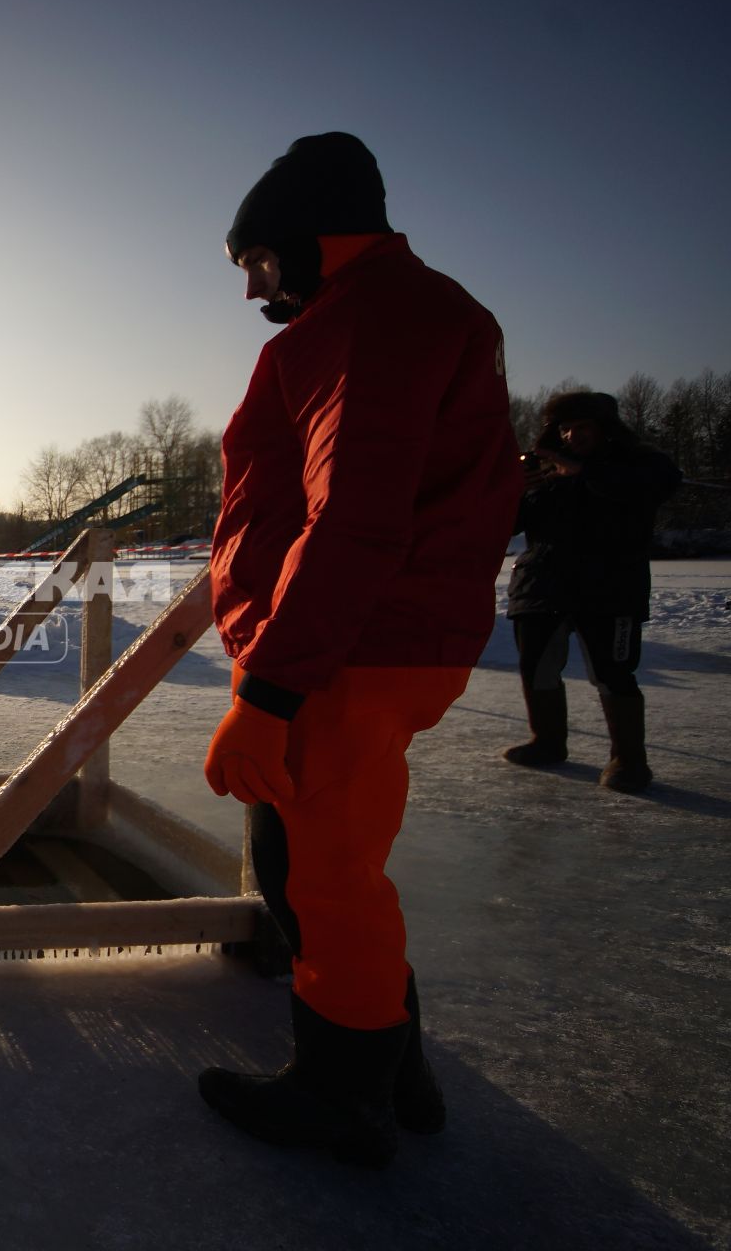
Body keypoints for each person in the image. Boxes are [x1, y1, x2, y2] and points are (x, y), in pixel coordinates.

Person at [196, 133, 522, 1167]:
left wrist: (271, 685)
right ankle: (395, 1070)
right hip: (359, 633)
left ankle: (341, 1094)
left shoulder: (375, 319)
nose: (251, 289)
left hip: (345, 642)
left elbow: (354, 516)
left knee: (319, 875)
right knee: (323, 863)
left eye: (253, 261)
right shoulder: (380, 315)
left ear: (306, 237)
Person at [504, 391, 681, 791]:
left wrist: (582, 472)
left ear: (605, 428)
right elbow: (512, 525)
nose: (571, 436)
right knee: (537, 666)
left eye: (581, 427)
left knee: (612, 673)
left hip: (610, 589)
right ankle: (547, 741)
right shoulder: (547, 474)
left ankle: (629, 760)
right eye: (565, 429)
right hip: (542, 587)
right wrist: (513, 489)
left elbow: (663, 483)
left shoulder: (640, 463)